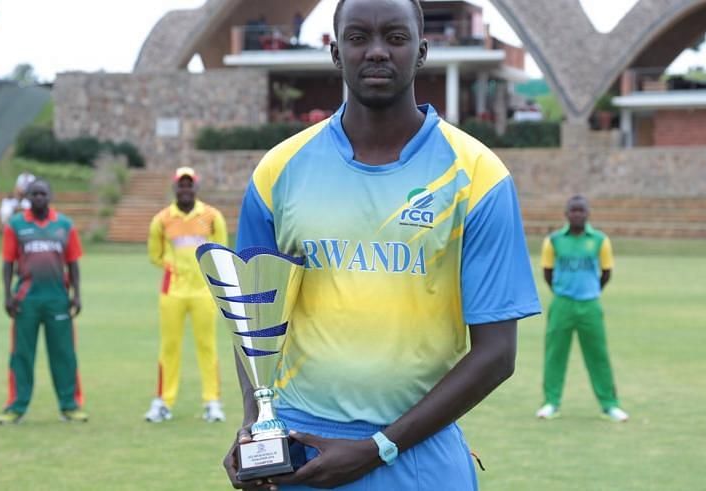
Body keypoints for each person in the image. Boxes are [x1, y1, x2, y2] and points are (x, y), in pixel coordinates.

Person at [228, 0, 541, 489]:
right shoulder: (277, 171)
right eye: (358, 38)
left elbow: (497, 353)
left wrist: (381, 447)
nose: (376, 52)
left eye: (395, 38)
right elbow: (252, 321)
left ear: (421, 51)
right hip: (301, 451)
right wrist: (253, 428)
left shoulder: (478, 176)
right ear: (335, 52)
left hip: (416, 454)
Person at [0, 179, 87, 424]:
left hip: (58, 298)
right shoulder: (16, 225)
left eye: (43, 194)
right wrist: (7, 295)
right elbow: (7, 263)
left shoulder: (64, 225)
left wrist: (76, 294)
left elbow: (73, 263)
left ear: (50, 196)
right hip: (26, 299)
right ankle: (17, 406)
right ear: (28, 197)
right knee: (21, 355)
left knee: (64, 354)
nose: (38, 198)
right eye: (34, 194)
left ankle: (70, 405)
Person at [144, 167, 228, 423]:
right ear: (175, 188)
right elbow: (154, 255)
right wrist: (175, 268)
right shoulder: (162, 219)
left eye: (189, 185)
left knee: (207, 346)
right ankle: (163, 402)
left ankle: (212, 402)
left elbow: (221, 251)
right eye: (181, 185)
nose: (185, 189)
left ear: (196, 188)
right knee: (169, 347)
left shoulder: (212, 217)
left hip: (203, 291)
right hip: (173, 292)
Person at [535, 195, 629, 422]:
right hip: (562, 303)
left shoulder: (599, 240)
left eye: (581, 211)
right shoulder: (554, 240)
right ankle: (551, 403)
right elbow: (547, 272)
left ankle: (609, 404)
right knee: (554, 354)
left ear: (588, 214)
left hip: (590, 305)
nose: (577, 214)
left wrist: (590, 291)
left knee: (598, 355)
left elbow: (606, 272)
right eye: (573, 211)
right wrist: (562, 290)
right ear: (566, 214)